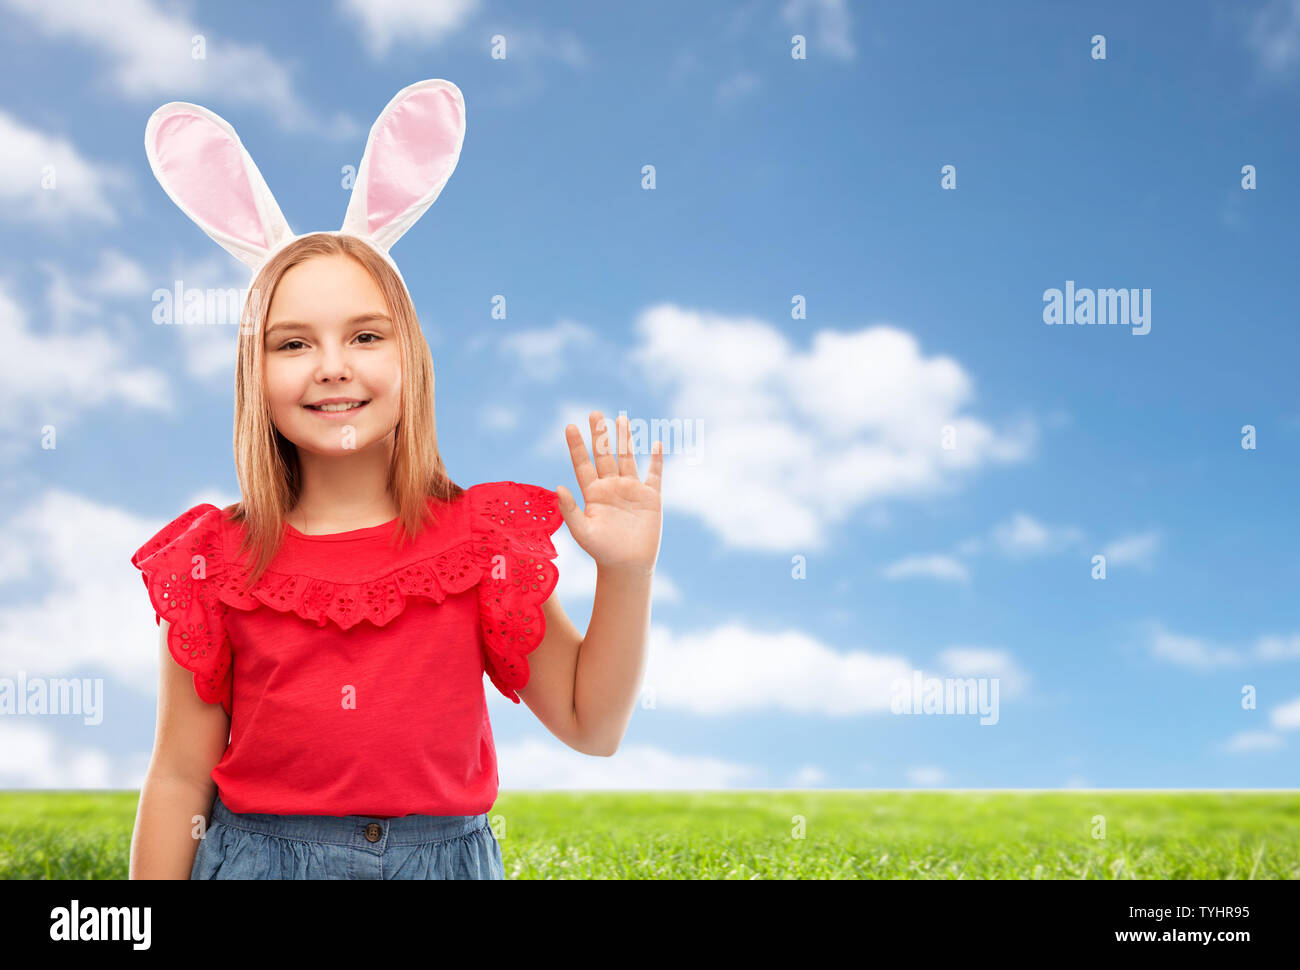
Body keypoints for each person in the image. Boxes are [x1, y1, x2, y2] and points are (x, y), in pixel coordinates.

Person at [127, 81, 663, 880]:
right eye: (293, 344)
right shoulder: (214, 561)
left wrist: (625, 574)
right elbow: (178, 776)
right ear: (254, 374)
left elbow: (593, 725)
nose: (333, 367)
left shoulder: (478, 546)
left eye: (365, 335)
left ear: (409, 357)